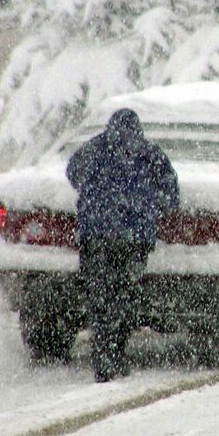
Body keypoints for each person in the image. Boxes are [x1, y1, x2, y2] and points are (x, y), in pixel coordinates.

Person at [66, 108, 179, 382]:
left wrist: (96, 198)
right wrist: (151, 207)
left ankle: (102, 356)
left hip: (95, 238)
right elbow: (171, 194)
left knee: (99, 299)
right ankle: (116, 354)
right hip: (134, 242)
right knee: (124, 297)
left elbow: (72, 174)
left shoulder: (94, 149)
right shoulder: (150, 154)